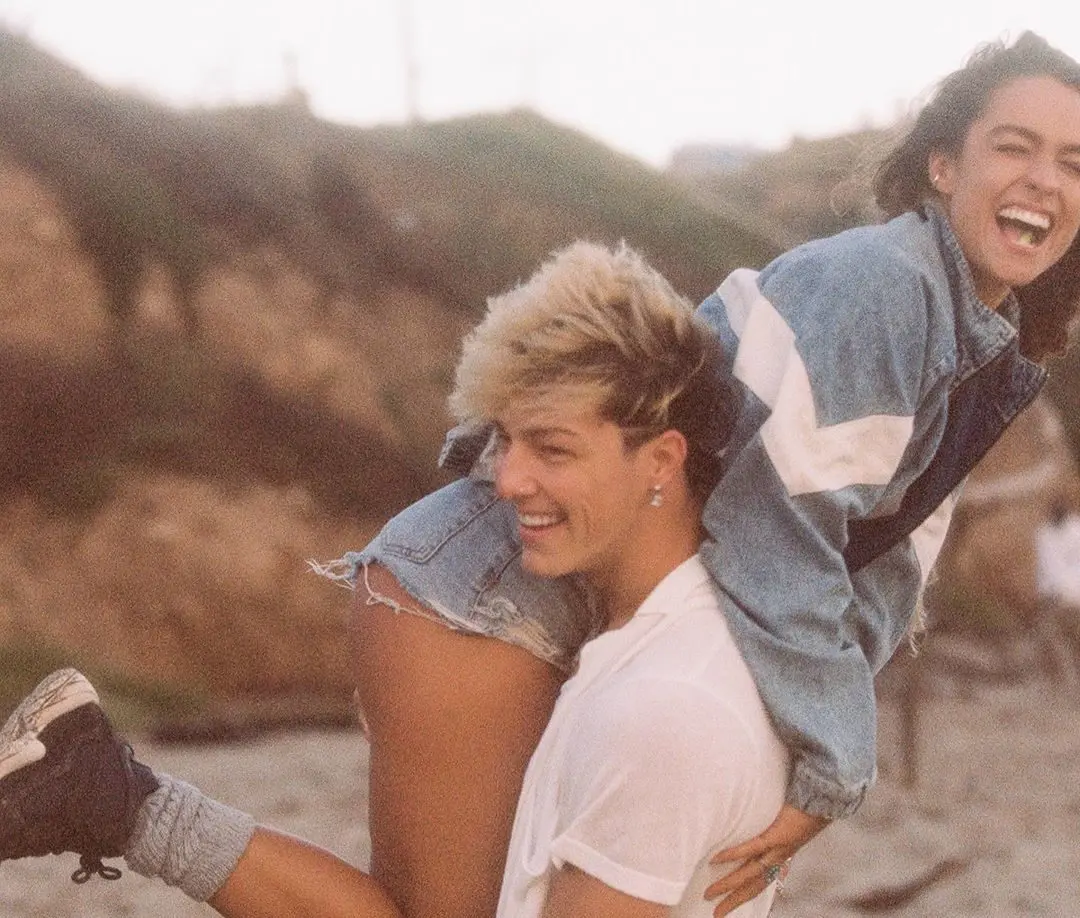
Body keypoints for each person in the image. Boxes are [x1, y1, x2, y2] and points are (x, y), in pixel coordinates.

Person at [331, 29, 1080, 917]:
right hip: (483, 587)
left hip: (580, 600)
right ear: (942, 166)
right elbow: (779, 529)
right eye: (1014, 147)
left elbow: (875, 566)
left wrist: (828, 738)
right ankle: (147, 814)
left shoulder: (971, 338)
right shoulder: (888, 287)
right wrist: (834, 753)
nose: (1045, 180)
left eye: (1074, 162)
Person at [0, 241, 789, 917]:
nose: (504, 480)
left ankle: (104, 793)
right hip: (446, 598)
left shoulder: (668, 696)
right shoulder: (661, 673)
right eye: (502, 440)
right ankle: (107, 794)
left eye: (550, 448)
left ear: (663, 460)